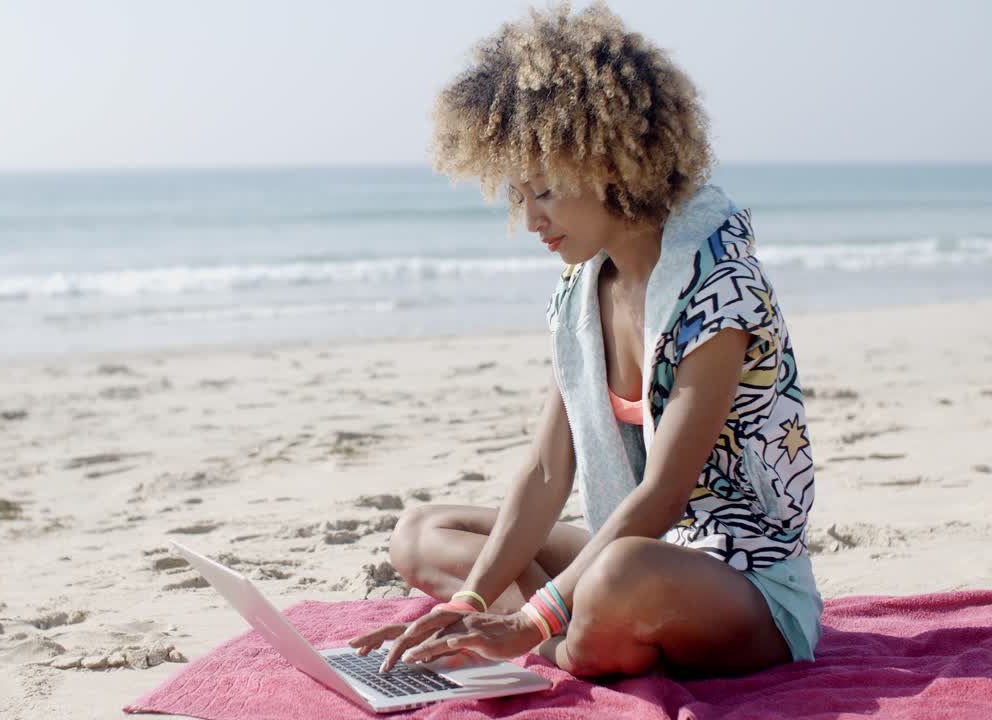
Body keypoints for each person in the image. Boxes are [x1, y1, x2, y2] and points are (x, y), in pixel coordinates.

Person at [348, 2, 822, 679]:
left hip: (741, 581)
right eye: (516, 196)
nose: (530, 218)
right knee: (420, 533)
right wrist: (474, 597)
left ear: (606, 163)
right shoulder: (580, 293)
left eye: (543, 190)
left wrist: (528, 616)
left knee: (618, 575)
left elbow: (663, 494)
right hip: (634, 554)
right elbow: (546, 472)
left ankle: (545, 642)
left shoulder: (721, 289)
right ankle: (524, 636)